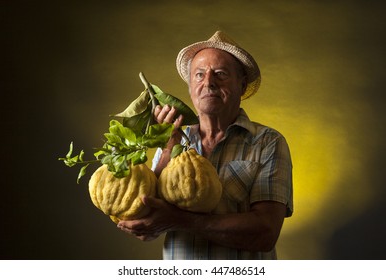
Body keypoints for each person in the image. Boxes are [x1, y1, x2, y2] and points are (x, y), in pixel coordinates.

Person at [117, 31, 293, 260]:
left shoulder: (268, 143)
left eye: (220, 74)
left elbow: (265, 233)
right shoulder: (172, 140)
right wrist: (170, 145)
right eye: (199, 75)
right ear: (190, 87)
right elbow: (148, 220)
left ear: (241, 85)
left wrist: (181, 220)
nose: (208, 82)